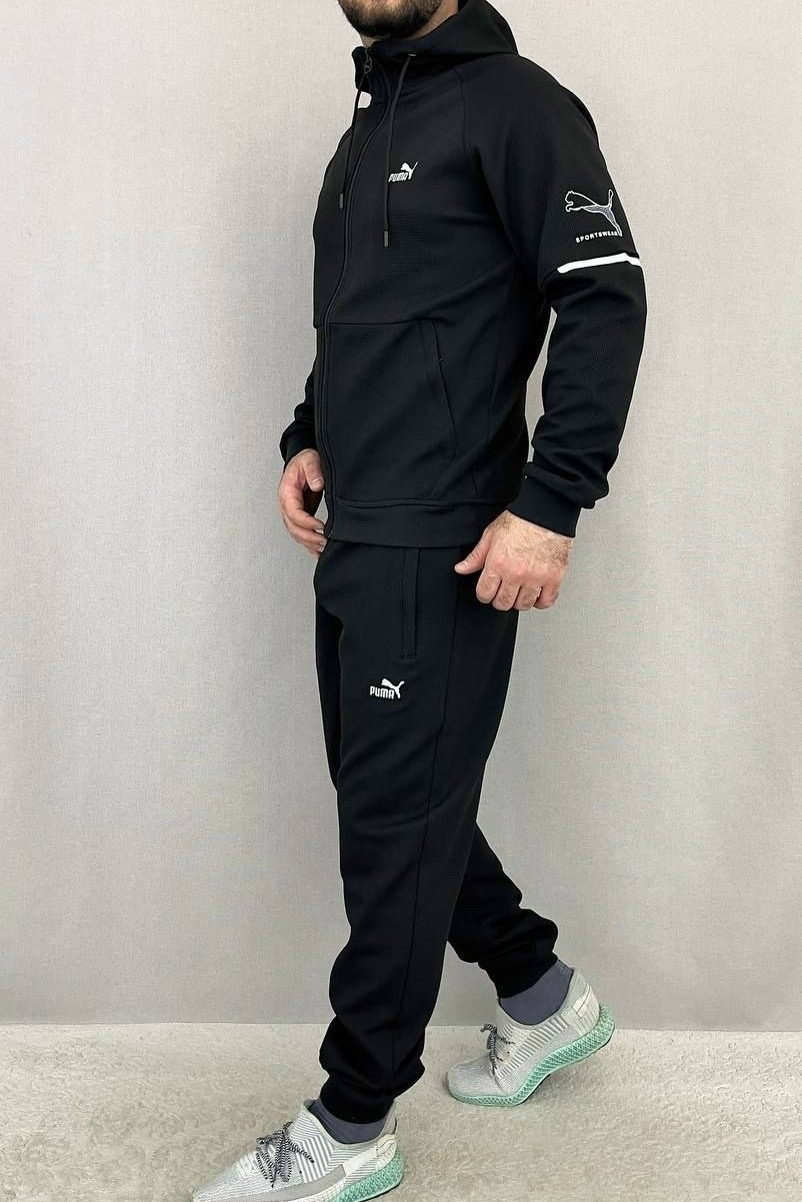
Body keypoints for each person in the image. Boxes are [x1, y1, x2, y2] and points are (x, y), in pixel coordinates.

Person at [193, 0, 646, 1197]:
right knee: (392, 799)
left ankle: (351, 1121)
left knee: (391, 835)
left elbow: (604, 295)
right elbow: (364, 327)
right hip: (358, 527)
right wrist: (308, 435)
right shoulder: (363, 135)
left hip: (446, 538)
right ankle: (539, 991)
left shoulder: (517, 105)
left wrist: (551, 503)